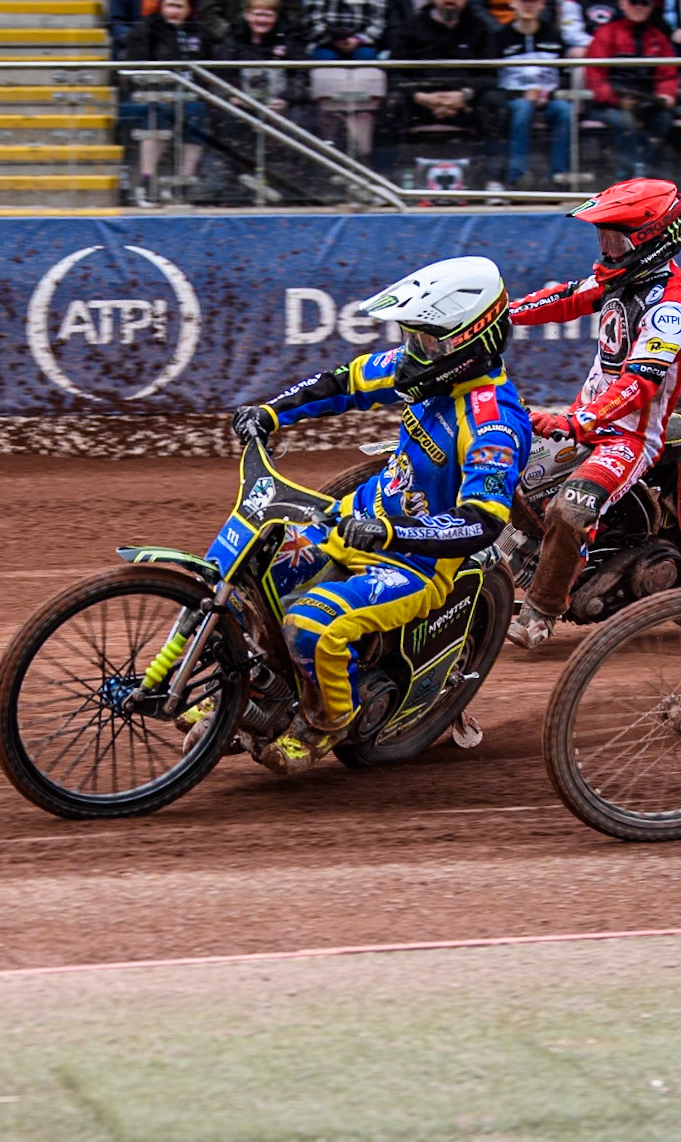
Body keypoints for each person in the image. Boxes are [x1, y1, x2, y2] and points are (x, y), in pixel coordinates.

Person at [208, 257, 530, 774]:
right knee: (249, 572)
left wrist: (390, 532)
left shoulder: (494, 422)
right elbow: (344, 382)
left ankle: (325, 722)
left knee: (309, 625)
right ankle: (247, 689)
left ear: (469, 343)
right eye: (411, 337)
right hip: (350, 521)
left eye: (426, 341)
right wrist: (270, 412)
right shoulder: (419, 369)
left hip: (414, 564)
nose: (413, 351)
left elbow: (482, 522)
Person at [505, 179, 681, 650]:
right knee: (498, 453)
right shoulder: (621, 279)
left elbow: (639, 383)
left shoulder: (672, 308)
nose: (607, 248)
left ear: (652, 238)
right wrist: (499, 317)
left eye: (617, 238)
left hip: (627, 438)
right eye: (604, 236)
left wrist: (580, 422)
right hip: (587, 419)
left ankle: (541, 611)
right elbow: (566, 298)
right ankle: (530, 549)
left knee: (570, 509)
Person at [385, 0, 496, 182]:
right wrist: (419, 96)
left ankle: (493, 180)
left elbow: (490, 75)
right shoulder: (410, 27)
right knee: (391, 104)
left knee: (494, 102)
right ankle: (384, 178)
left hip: (465, 103)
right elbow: (395, 73)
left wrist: (464, 96)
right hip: (419, 103)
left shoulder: (479, 28)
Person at [118, 0, 212, 207]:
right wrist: (158, 91)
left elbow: (209, 71)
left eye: (179, 6)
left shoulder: (200, 33)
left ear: (189, 9)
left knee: (196, 111)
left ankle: (183, 184)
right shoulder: (146, 30)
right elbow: (136, 69)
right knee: (158, 113)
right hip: (148, 95)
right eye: (170, 5)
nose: (174, 11)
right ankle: (146, 183)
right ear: (161, 7)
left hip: (188, 96)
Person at [583, 0, 678, 180]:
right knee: (625, 122)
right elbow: (595, 77)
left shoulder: (658, 38)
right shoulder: (606, 34)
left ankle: (648, 173)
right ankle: (628, 175)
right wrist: (617, 100)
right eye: (633, 2)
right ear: (622, 4)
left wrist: (666, 94)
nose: (639, 6)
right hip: (610, 105)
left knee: (663, 119)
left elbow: (668, 75)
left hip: (646, 102)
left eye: (645, 2)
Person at [483, 0, 572, 189]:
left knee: (565, 110)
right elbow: (490, 80)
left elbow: (566, 75)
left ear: (542, 5)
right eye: (523, 1)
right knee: (523, 109)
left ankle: (559, 177)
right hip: (514, 98)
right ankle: (517, 178)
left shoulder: (554, 36)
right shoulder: (499, 37)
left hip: (549, 98)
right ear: (513, 4)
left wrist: (548, 94)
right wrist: (522, 94)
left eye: (533, 1)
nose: (528, 6)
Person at [301, 0, 388, 58]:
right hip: (324, 42)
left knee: (366, 55)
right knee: (324, 57)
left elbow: (378, 23)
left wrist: (357, 40)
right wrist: (332, 40)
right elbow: (311, 21)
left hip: (363, 43)